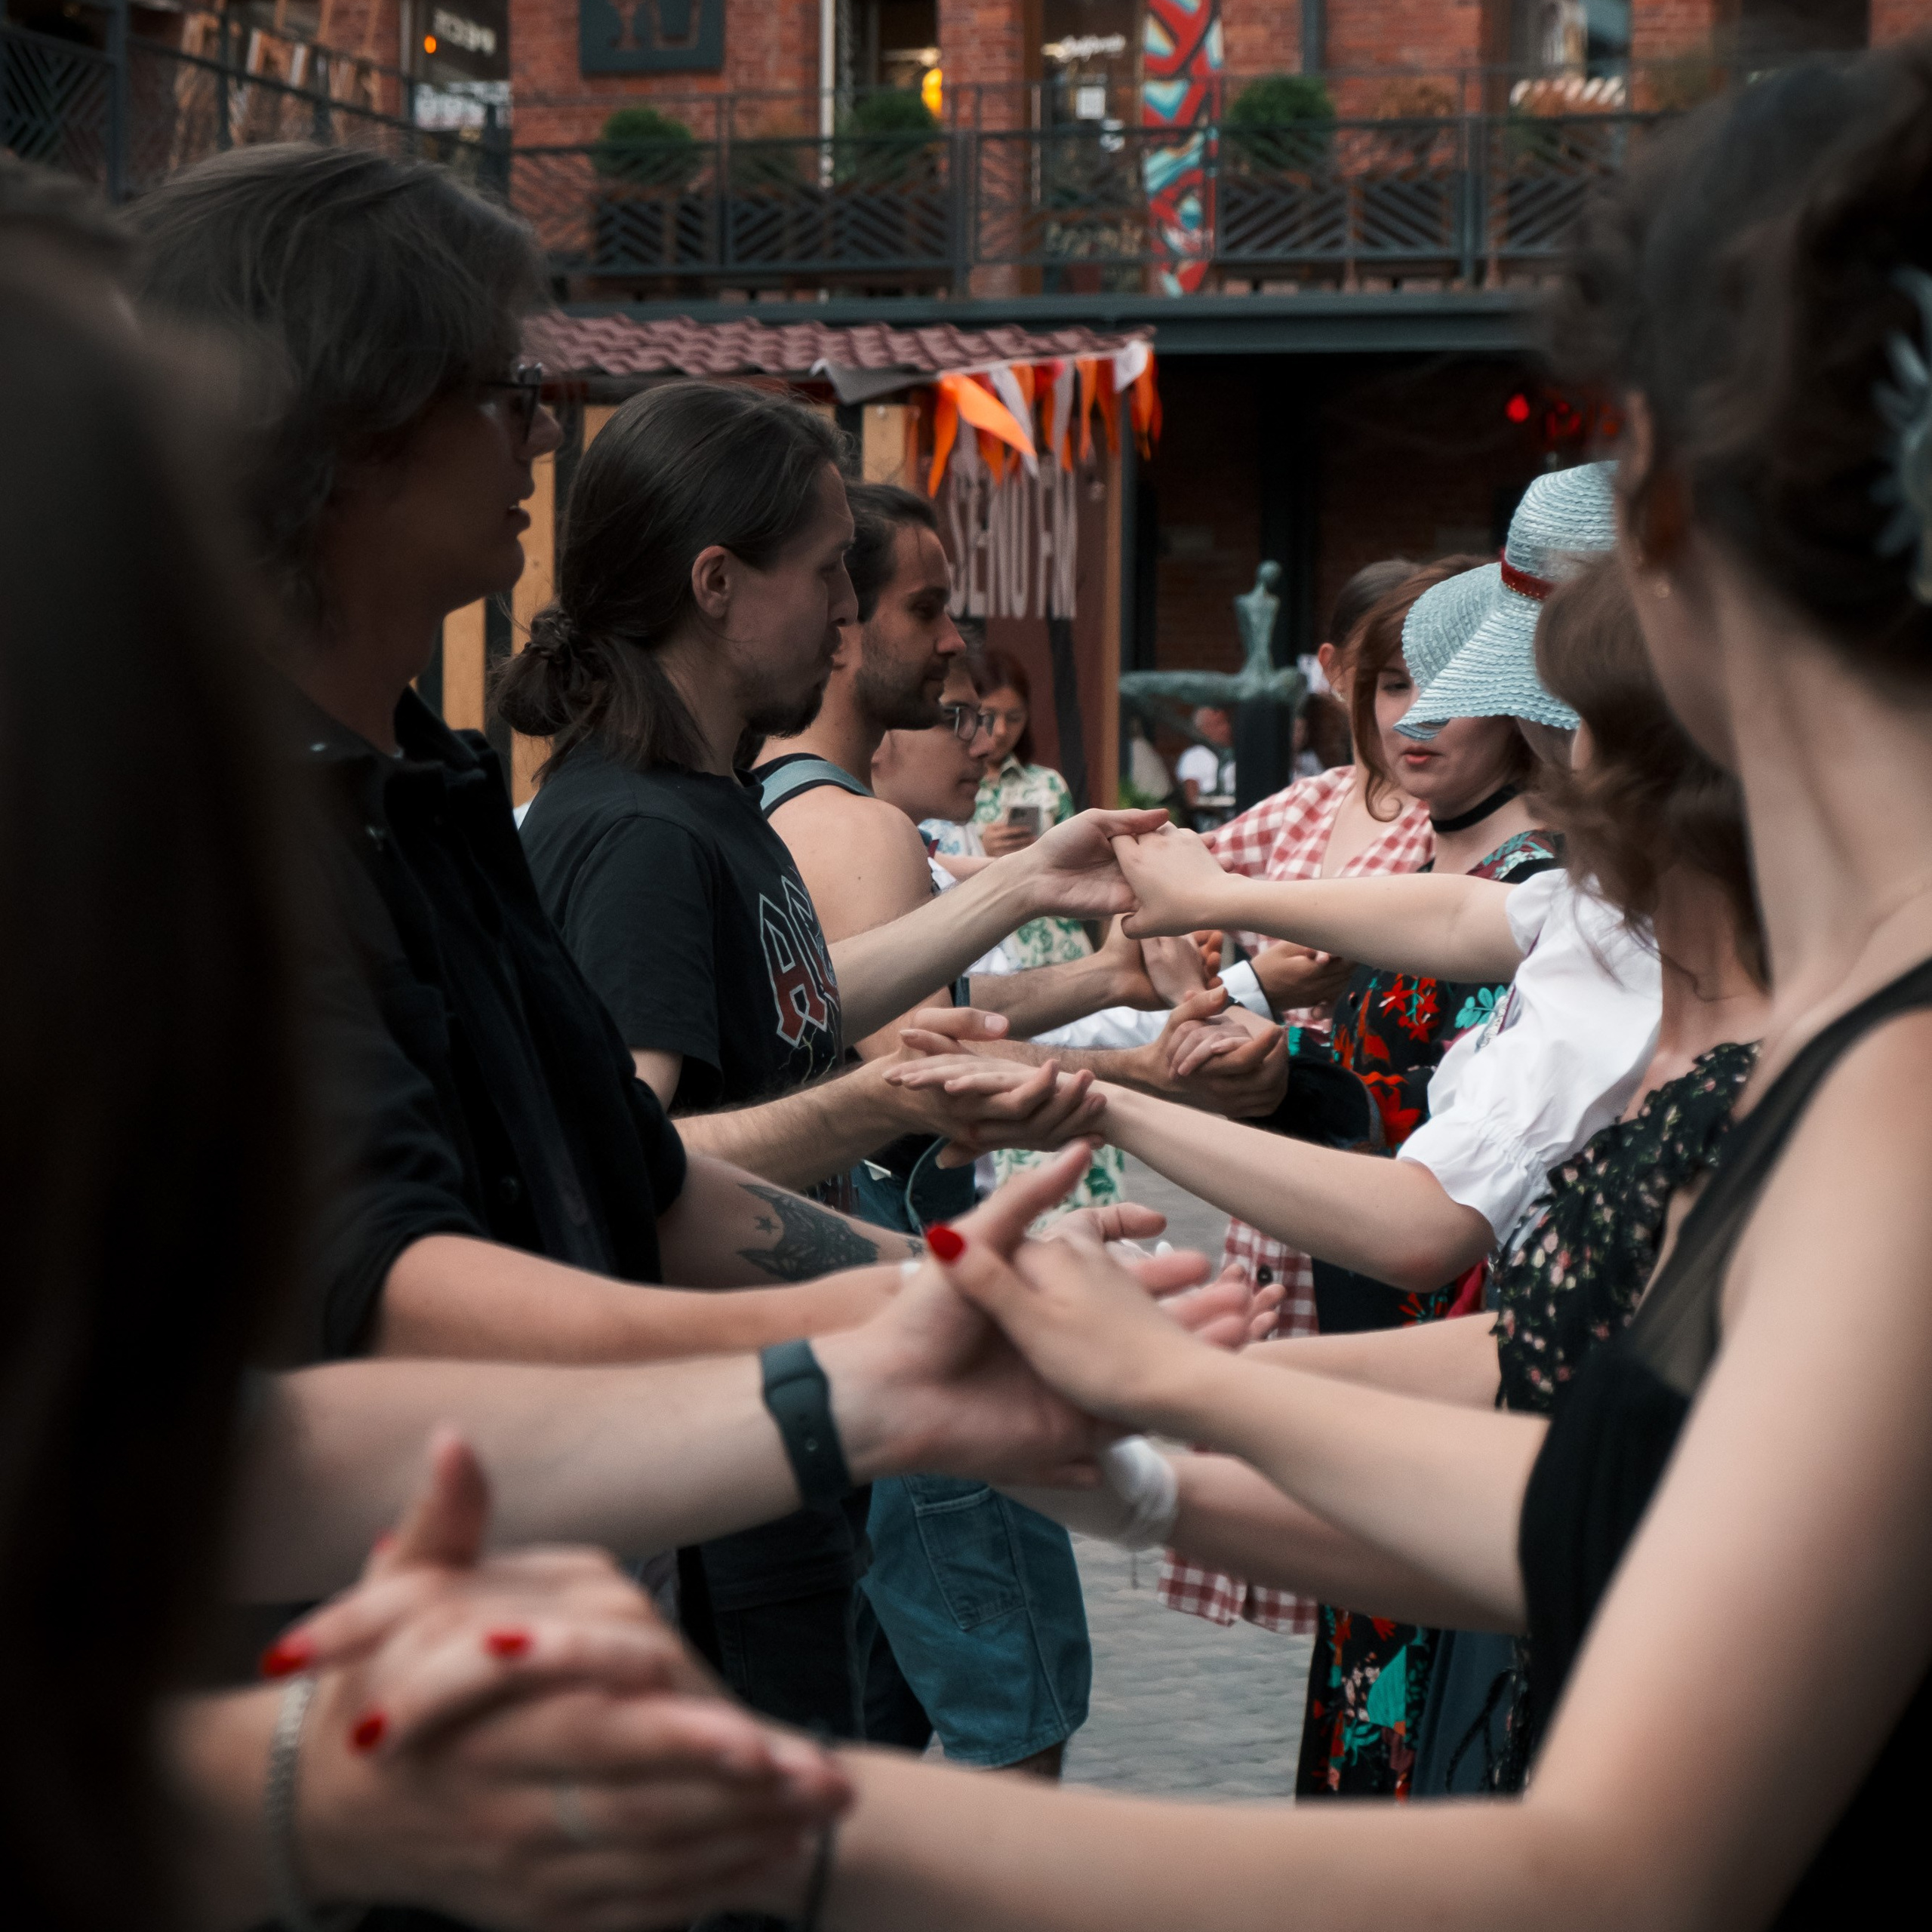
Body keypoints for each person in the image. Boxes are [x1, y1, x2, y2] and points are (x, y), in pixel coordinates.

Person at [728, 41, 1932, 1927]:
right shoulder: (1864, 1008)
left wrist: (791, 1820)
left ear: (1678, 516)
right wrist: (1123, 1436)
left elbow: (1614, 1854)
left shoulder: (1897, 1071)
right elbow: (1598, 1487)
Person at [1174, 706, 1236, 829]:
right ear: (1203, 729)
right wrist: (1221, 808)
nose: (1226, 728)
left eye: (1226, 722)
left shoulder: (1234, 755)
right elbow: (1193, 799)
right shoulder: (1193, 756)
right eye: (1219, 724)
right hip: (1212, 821)